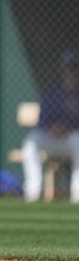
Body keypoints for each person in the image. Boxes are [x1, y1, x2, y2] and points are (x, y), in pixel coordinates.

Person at [21, 50, 79, 203]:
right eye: (69, 70)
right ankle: (33, 191)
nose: (72, 73)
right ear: (64, 72)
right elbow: (42, 120)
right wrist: (52, 128)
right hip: (51, 138)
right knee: (31, 141)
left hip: (72, 139)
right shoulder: (53, 94)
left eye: (75, 69)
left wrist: (68, 128)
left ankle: (77, 193)